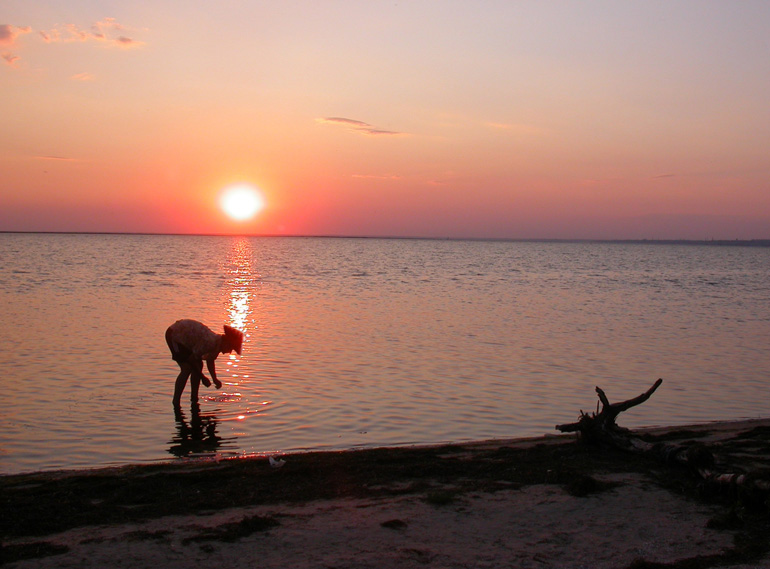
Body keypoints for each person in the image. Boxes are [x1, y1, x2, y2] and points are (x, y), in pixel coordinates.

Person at [165, 319, 244, 407]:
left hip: (186, 340)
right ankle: (176, 401)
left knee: (199, 365)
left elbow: (210, 361)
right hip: (174, 335)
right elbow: (192, 359)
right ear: (226, 343)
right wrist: (203, 378)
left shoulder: (217, 344)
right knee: (186, 369)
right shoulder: (210, 342)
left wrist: (214, 379)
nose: (230, 352)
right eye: (231, 348)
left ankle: (194, 399)